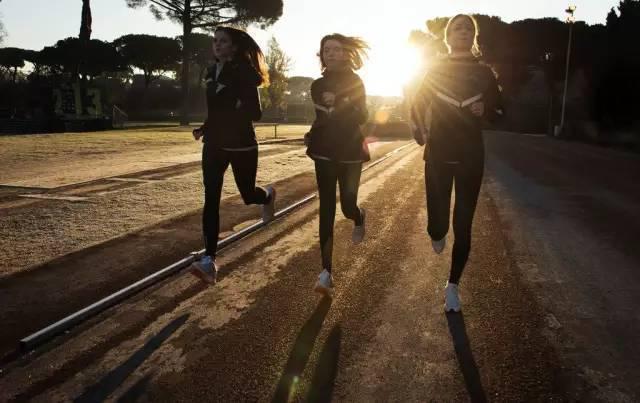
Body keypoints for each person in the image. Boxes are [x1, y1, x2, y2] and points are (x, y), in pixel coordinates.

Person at [411, 14, 504, 312]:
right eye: (457, 28)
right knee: (437, 226)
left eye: (468, 28)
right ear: (448, 36)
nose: (463, 32)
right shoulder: (436, 69)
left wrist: (485, 108)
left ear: (473, 37)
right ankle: (436, 233)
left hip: (470, 156)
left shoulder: (484, 73)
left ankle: (452, 286)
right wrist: (420, 132)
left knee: (463, 225)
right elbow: (417, 104)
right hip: (438, 154)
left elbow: (501, 112)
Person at [190, 27, 276, 284]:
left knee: (248, 195)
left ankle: (267, 196)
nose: (217, 45)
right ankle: (209, 260)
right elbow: (216, 110)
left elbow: (255, 113)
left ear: (235, 46)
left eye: (223, 41)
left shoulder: (245, 72)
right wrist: (205, 127)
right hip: (214, 144)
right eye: (215, 41)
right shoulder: (210, 72)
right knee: (211, 198)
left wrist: (235, 107)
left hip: (241, 144)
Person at [305, 33, 370, 297]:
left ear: (345, 54)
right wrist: (312, 132)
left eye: (336, 49)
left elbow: (362, 115)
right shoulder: (317, 85)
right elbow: (323, 116)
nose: (330, 53)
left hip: (350, 150)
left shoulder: (356, 81)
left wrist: (341, 102)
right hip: (324, 150)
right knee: (327, 208)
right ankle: (326, 272)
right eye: (326, 50)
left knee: (347, 205)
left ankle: (359, 216)